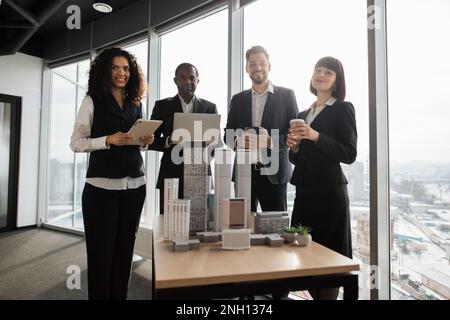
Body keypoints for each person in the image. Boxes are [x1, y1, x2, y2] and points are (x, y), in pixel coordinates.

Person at [70, 47, 154, 300]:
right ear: (106, 70)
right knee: (101, 255)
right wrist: (107, 139)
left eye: (126, 68)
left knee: (124, 252)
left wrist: (144, 141)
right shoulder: (91, 101)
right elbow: (76, 143)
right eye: (116, 67)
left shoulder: (135, 102)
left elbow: (133, 141)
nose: (121, 73)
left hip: (135, 186)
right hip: (101, 190)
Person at [287, 56, 357, 300]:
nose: (321, 74)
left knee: (329, 260)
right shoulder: (303, 113)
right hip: (304, 193)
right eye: (318, 69)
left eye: (329, 72)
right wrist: (294, 148)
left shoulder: (342, 109)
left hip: (330, 195)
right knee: (304, 255)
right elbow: (298, 159)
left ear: (337, 81)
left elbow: (349, 154)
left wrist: (315, 136)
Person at [225, 45, 298, 212]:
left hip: (274, 173)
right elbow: (227, 134)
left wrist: (269, 141)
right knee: (241, 226)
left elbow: (293, 135)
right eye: (252, 64)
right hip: (244, 172)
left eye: (262, 63)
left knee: (276, 230)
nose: (257, 68)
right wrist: (237, 139)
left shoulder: (286, 95)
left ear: (269, 66)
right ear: (246, 68)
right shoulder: (237, 99)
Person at [150, 63, 217, 213]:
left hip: (200, 176)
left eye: (192, 78)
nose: (188, 81)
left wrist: (210, 146)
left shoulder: (210, 108)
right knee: (169, 225)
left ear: (197, 81)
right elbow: (149, 140)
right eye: (183, 77)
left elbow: (217, 144)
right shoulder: (162, 106)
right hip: (171, 176)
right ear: (175, 80)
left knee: (199, 225)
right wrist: (168, 140)